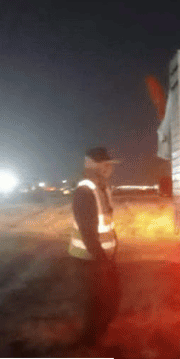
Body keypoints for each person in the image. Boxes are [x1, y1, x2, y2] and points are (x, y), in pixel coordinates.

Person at [69, 146, 120, 347]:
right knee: (95, 303)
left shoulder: (103, 188)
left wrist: (112, 251)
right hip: (89, 260)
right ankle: (87, 343)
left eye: (110, 164)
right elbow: (88, 231)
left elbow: (105, 223)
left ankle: (95, 336)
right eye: (105, 164)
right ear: (92, 166)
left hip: (103, 258)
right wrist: (101, 260)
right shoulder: (85, 191)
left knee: (110, 300)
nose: (109, 168)